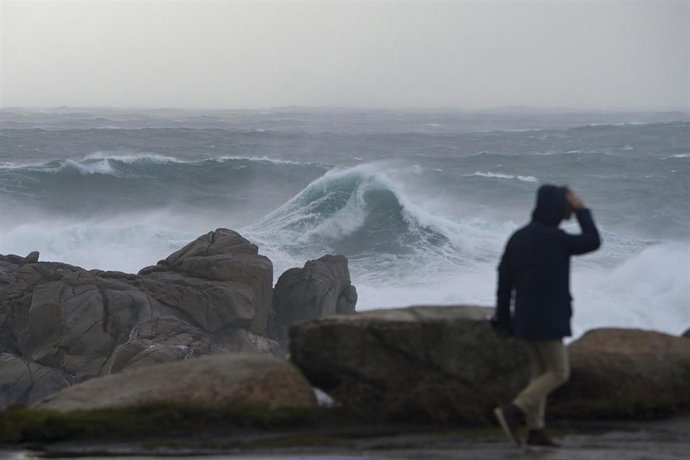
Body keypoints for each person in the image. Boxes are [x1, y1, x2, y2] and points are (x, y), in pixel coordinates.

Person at [492, 184, 601, 448]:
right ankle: (514, 410)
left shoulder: (518, 238)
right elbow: (593, 241)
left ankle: (536, 430)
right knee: (559, 372)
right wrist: (583, 209)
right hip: (549, 319)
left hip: (524, 319)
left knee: (540, 372)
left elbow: (504, 282)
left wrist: (503, 319)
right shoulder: (557, 239)